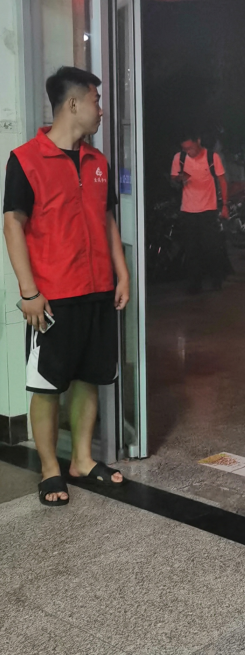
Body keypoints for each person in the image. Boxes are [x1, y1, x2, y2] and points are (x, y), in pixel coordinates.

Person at [3, 66, 129, 506]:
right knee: (46, 386)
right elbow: (13, 224)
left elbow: (106, 219)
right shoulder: (25, 159)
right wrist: (28, 291)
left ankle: (81, 460)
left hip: (97, 289)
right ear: (73, 103)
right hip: (52, 296)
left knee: (89, 379)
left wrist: (122, 272)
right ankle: (49, 470)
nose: (101, 109)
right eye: (96, 100)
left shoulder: (98, 162)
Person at [170, 132, 229, 293]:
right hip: (188, 209)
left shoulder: (212, 157)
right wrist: (179, 179)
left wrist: (225, 204)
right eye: (185, 149)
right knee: (191, 248)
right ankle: (194, 284)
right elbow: (173, 177)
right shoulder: (179, 158)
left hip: (208, 209)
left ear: (198, 141)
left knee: (211, 246)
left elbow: (222, 181)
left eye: (191, 147)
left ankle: (216, 279)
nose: (189, 151)